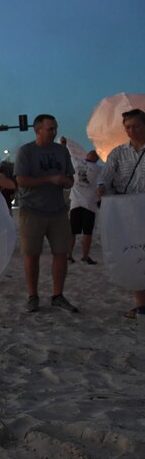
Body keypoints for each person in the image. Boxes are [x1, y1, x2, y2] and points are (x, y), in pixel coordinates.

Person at [15, 114, 77, 314]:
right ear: (38, 130)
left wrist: (67, 181)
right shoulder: (26, 152)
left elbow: (70, 176)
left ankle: (58, 295)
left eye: (55, 128)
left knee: (61, 253)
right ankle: (33, 296)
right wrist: (50, 179)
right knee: (32, 254)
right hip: (32, 210)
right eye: (50, 129)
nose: (54, 132)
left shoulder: (61, 151)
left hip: (58, 210)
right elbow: (22, 180)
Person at [98, 108, 145, 319]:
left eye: (136, 126)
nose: (131, 130)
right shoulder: (117, 153)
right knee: (135, 255)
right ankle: (142, 304)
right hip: (129, 214)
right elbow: (105, 178)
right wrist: (101, 189)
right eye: (127, 127)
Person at [68, 150, 100, 265]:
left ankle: (69, 255)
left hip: (75, 203)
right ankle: (85, 256)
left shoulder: (76, 163)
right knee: (87, 232)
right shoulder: (98, 170)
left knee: (72, 231)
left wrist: (63, 142)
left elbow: (70, 151)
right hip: (90, 204)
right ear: (97, 159)